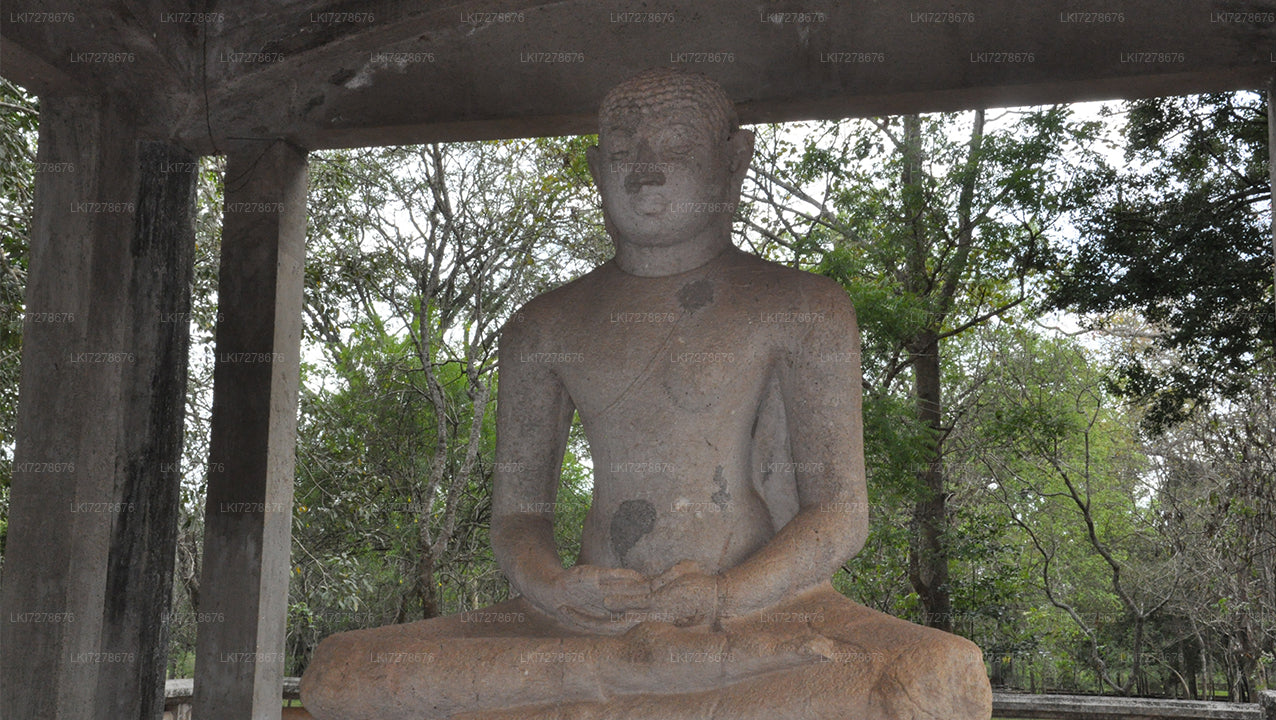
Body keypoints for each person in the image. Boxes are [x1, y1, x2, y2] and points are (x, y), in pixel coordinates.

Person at [301, 67, 991, 720]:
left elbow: (840, 512)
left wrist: (728, 593)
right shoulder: (543, 326)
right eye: (624, 151)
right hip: (585, 623)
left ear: (734, 162)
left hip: (770, 612)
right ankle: (649, 677)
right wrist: (557, 586)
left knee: (933, 675)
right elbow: (517, 521)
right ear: (599, 170)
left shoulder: (800, 305)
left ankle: (634, 682)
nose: (647, 168)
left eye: (677, 148)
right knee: (339, 670)